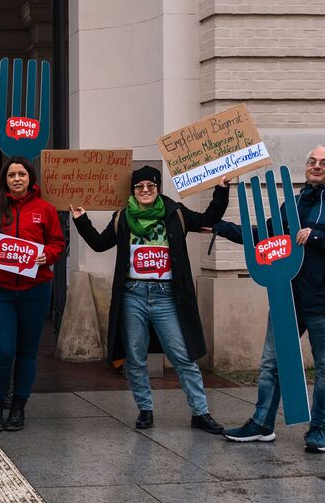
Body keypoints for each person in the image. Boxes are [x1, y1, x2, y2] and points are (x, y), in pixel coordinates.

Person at [216, 145, 325, 453]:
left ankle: (318, 429)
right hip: (287, 295)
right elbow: (265, 234)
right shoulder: (294, 202)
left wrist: (317, 236)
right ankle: (262, 424)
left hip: (323, 299)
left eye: (324, 163)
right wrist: (220, 228)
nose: (316, 166)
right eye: (312, 161)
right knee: (272, 363)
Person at [71, 165, 228, 434]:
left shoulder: (175, 212)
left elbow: (209, 218)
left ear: (157, 189)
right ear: (133, 190)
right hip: (133, 295)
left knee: (182, 356)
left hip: (167, 297)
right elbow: (99, 243)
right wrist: (81, 220)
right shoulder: (122, 217)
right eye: (139, 187)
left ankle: (200, 412)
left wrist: (222, 191)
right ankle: (145, 409)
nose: (145, 190)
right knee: (135, 356)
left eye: (151, 186)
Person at [0, 158, 66, 431]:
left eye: (22, 174)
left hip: (35, 289)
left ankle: (18, 408)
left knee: (27, 351)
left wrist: (47, 255)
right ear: (5, 179)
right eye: (11, 175)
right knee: (3, 351)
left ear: (30, 177)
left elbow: (58, 243)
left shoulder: (45, 210)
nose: (17, 179)